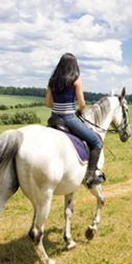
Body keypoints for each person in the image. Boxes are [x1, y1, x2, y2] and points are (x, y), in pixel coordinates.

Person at [45, 53, 105, 187]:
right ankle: (90, 176)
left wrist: (58, 108)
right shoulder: (76, 80)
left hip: (53, 118)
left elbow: (47, 103)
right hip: (69, 118)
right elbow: (82, 104)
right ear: (74, 66)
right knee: (96, 142)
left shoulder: (52, 80)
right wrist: (79, 111)